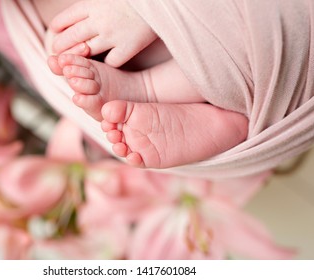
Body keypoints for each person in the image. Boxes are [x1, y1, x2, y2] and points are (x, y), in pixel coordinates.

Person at [45, 0, 249, 168]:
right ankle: (155, 93)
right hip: (130, 60)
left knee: (241, 44)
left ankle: (147, 89)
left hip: (213, 32)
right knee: (58, 55)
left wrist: (143, 9)